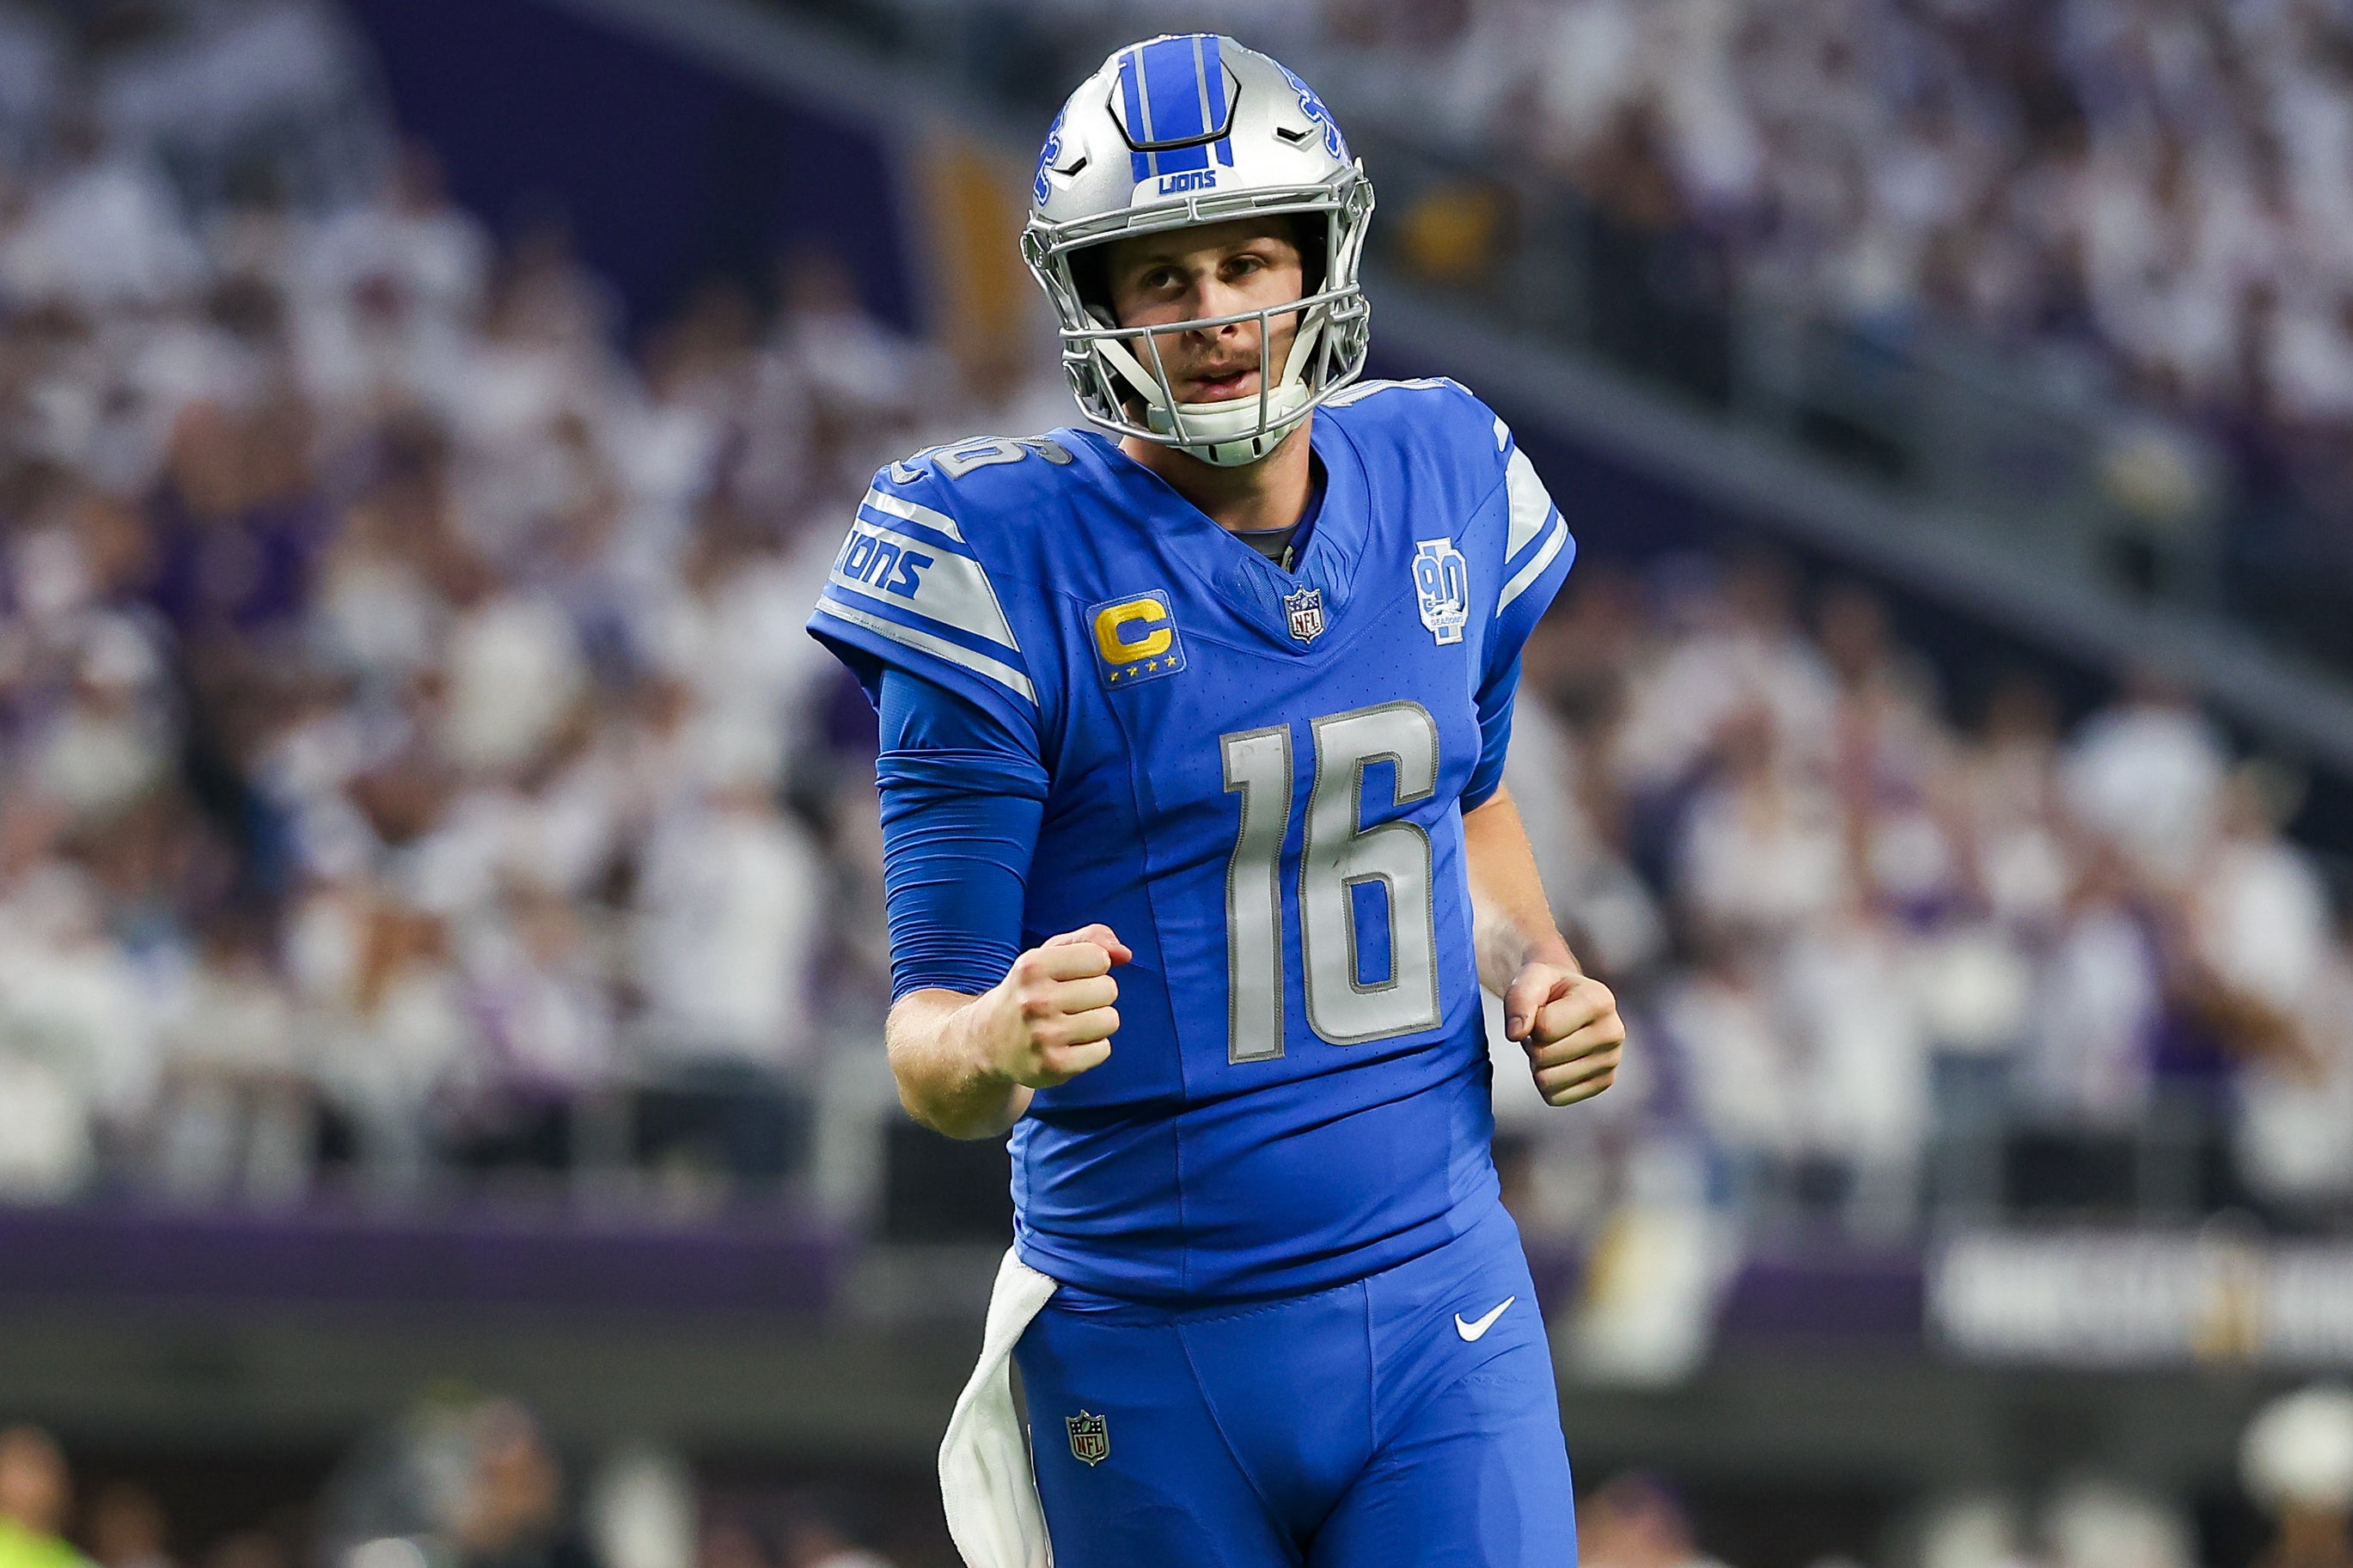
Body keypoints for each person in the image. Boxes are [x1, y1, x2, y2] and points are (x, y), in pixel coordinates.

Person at [808, 34, 1623, 1568]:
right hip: (1146, 1345)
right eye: (1160, 279)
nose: (1213, 316)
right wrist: (996, 1034)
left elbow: (1470, 798)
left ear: (1314, 258)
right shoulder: (995, 552)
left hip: (1439, 1301)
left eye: (1246, 262)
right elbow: (928, 1045)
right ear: (1097, 304)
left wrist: (1537, 970)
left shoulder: (1446, 463)